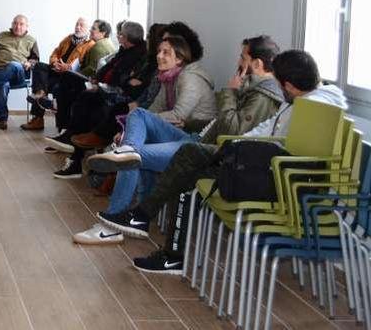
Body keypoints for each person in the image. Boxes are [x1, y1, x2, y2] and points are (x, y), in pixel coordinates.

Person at [121, 49, 347, 274]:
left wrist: (236, 146)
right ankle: (163, 245)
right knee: (189, 168)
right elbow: (266, 131)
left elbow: (289, 153)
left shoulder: (317, 111)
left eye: (278, 83)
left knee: (190, 161)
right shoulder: (297, 102)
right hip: (262, 167)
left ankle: (147, 223)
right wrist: (234, 146)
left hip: (276, 180)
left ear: (289, 85)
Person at [73, 35, 216, 245]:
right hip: (181, 136)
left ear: (180, 58)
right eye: (159, 51)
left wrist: (135, 128)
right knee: (135, 132)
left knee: (133, 149)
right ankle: (130, 216)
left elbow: (178, 115)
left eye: (166, 52)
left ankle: (115, 225)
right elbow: (154, 111)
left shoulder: (189, 78)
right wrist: (131, 130)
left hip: (196, 143)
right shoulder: (165, 77)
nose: (159, 55)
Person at [44, 21, 147, 164]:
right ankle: (66, 134)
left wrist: (101, 83)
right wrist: (97, 79)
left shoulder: (138, 55)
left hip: (114, 91)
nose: (118, 36)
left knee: (81, 93)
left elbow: (123, 79)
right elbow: (109, 68)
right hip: (102, 84)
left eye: (121, 34)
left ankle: (70, 140)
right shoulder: (124, 50)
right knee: (70, 84)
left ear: (127, 38)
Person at [21, 17, 95, 131]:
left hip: (68, 75)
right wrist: (55, 63)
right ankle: (41, 96)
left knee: (49, 85)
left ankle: (44, 118)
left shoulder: (90, 44)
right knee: (39, 66)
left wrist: (67, 67)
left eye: (81, 25)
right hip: (56, 70)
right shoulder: (68, 39)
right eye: (77, 24)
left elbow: (82, 64)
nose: (78, 27)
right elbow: (55, 52)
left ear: (87, 29)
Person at [0, 15, 40, 130]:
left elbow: (35, 58)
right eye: (15, 23)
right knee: (3, 84)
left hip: (19, 74)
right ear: (12, 24)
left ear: (26, 26)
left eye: (21, 24)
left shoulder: (31, 40)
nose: (17, 26)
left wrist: (30, 63)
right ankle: (2, 120)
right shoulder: (3, 35)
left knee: (14, 64)